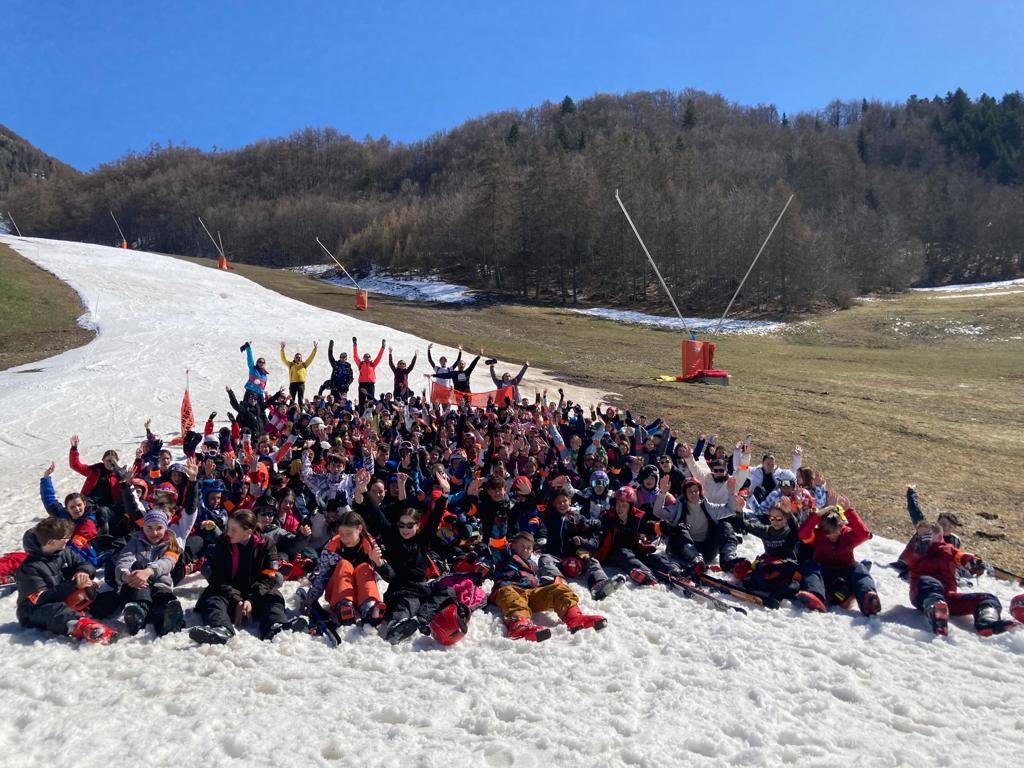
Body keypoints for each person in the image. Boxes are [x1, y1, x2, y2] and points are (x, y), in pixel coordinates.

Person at [190, 509, 308, 644]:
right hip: (228, 592)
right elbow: (219, 578)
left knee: (273, 598)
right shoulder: (223, 543)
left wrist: (251, 600)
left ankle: (275, 627)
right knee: (214, 599)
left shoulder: (267, 544)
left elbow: (269, 576)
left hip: (257, 592)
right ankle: (221, 628)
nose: (228, 532)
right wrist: (237, 600)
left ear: (249, 532)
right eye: (228, 527)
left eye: (234, 530)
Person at [898, 521, 1015, 636]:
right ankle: (937, 614)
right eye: (919, 535)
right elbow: (904, 560)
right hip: (921, 594)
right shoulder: (915, 550)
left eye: (927, 534)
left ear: (939, 536)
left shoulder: (949, 550)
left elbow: (961, 557)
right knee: (929, 582)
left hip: (948, 597)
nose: (922, 538)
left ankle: (987, 622)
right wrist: (916, 549)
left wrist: (973, 562)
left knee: (987, 598)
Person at [488, 531, 607, 642]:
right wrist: (501, 517)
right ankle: (519, 626)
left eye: (529, 548)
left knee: (559, 588)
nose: (525, 550)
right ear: (513, 545)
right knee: (512, 595)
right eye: (521, 546)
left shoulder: (532, 565)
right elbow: (497, 541)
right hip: (509, 589)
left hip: (530, 594)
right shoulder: (505, 557)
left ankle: (574, 618)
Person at [14, 517, 116, 644]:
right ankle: (86, 627)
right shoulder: (29, 569)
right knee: (56, 610)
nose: (68, 541)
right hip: (35, 610)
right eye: (65, 538)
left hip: (67, 598)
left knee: (104, 596)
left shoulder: (64, 552)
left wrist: (82, 572)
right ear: (51, 542)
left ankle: (85, 613)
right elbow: (39, 599)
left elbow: (85, 564)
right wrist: (73, 585)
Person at [301, 511, 392, 626]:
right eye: (341, 534)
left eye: (348, 533)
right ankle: (344, 607)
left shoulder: (370, 546)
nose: (344, 538)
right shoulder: (331, 549)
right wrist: (310, 600)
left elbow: (389, 576)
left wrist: (379, 563)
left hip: (362, 592)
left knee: (364, 567)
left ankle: (370, 607)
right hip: (337, 591)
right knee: (344, 564)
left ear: (359, 529)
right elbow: (322, 577)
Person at [110, 507, 186, 636]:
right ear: (143, 527)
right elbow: (124, 560)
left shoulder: (172, 545)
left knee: (164, 598)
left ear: (166, 528)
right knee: (138, 565)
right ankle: (137, 612)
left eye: (159, 528)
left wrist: (149, 571)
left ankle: (169, 619)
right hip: (134, 588)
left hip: (159, 586)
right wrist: (126, 575)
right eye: (149, 527)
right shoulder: (135, 542)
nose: (154, 532)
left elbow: (167, 563)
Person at [799, 504, 881, 615]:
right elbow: (803, 534)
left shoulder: (847, 535)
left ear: (841, 527)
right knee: (810, 565)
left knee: (859, 568)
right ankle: (816, 597)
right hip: (825, 576)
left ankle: (868, 599)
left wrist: (848, 511)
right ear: (823, 530)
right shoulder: (818, 536)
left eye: (835, 531)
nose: (833, 535)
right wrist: (818, 515)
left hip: (845, 573)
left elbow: (864, 534)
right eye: (828, 533)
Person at [280, 340, 317, 408]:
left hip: (301, 384)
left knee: (300, 399)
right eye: (297, 357)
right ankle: (292, 412)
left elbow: (311, 358)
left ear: (301, 358)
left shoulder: (304, 364)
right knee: (292, 399)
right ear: (294, 358)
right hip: (293, 384)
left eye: (299, 357)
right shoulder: (291, 364)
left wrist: (315, 349)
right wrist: (282, 350)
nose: (298, 358)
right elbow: (284, 359)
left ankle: (300, 412)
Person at [353, 336, 386, 410]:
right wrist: (355, 345)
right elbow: (355, 356)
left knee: (371, 401)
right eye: (365, 356)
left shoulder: (372, 364)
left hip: (371, 384)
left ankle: (370, 415)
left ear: (370, 358)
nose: (367, 358)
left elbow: (379, 357)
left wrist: (383, 347)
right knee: (361, 401)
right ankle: (361, 415)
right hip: (362, 384)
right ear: (363, 358)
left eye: (368, 357)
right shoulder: (360, 364)